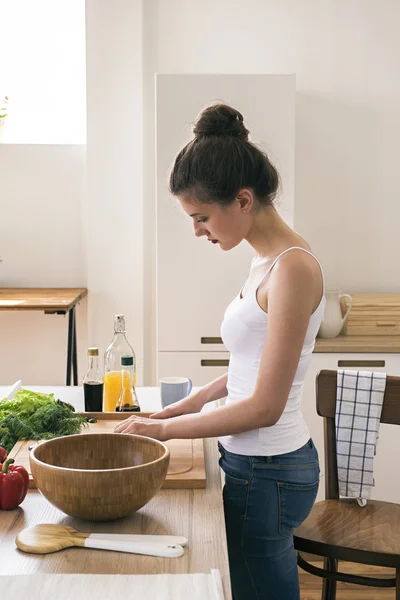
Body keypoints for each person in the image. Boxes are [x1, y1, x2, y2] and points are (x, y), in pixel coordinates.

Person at [114, 103, 325, 600]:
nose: (197, 230)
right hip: (253, 464)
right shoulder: (265, 260)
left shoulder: (292, 269)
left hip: (269, 469)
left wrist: (161, 430)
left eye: (201, 216)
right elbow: (247, 369)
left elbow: (265, 406)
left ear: (244, 199)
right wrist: (187, 404)